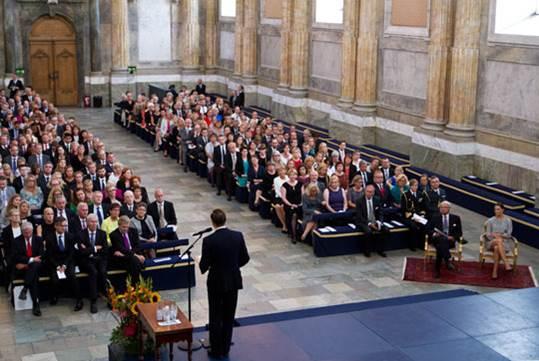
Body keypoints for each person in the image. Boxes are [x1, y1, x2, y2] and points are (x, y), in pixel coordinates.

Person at [199, 209, 250, 359]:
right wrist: (232, 266)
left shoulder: (209, 240)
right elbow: (245, 258)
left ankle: (216, 349)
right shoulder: (237, 236)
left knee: (215, 315)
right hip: (233, 280)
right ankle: (225, 347)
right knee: (229, 314)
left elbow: (203, 266)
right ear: (225, 220)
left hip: (215, 281)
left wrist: (199, 260)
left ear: (213, 222)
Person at [45, 216, 83, 311]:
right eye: (62, 226)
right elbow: (49, 255)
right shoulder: (49, 238)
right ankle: (55, 296)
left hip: (67, 261)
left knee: (72, 276)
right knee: (54, 279)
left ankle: (79, 299)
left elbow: (71, 253)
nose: (64, 228)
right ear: (56, 226)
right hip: (55, 262)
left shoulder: (70, 236)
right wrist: (57, 266)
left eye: (65, 226)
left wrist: (65, 265)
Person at [76, 214, 108, 313]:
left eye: (95, 222)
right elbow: (81, 252)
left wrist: (88, 250)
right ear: (87, 223)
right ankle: (93, 300)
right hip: (86, 260)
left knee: (102, 272)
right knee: (93, 272)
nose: (94, 224)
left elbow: (105, 250)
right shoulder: (80, 234)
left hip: (99, 259)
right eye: (92, 222)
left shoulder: (102, 233)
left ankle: (107, 295)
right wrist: (94, 248)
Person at [11, 222, 43, 316]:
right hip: (24, 269)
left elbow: (41, 255)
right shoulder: (16, 241)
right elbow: (16, 257)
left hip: (37, 266)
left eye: (29, 233)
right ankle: (36, 305)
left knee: (34, 266)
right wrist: (31, 260)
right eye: (25, 233)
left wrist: (28, 263)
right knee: (33, 277)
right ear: (22, 232)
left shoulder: (38, 239)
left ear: (32, 231)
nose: (28, 235)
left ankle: (25, 288)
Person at [427, 201, 462, 278]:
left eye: (445, 207)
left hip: (449, 241)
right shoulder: (435, 217)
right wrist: (434, 234)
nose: (442, 209)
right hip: (437, 239)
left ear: (449, 208)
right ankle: (447, 259)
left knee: (441, 247)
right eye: (441, 207)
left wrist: (453, 237)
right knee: (441, 241)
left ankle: (437, 270)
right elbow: (428, 229)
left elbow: (459, 232)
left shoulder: (456, 218)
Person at [355, 185, 388, 258]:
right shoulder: (359, 201)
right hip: (363, 221)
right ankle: (367, 251)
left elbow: (380, 212)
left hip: (375, 221)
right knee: (368, 231)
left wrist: (379, 221)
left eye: (372, 192)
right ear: (365, 191)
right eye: (368, 192)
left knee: (385, 230)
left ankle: (380, 250)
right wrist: (369, 224)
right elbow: (359, 216)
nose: (370, 193)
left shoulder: (377, 199)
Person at [110, 216, 145, 282]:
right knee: (135, 261)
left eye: (127, 227)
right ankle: (138, 285)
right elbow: (121, 249)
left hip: (128, 256)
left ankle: (135, 285)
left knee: (134, 262)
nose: (126, 229)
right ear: (119, 225)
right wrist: (136, 255)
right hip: (122, 259)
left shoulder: (133, 231)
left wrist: (133, 254)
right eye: (123, 227)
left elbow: (137, 246)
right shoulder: (113, 235)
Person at [486, 203, 514, 279]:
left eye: (498, 209)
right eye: (495, 209)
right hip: (491, 242)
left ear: (502, 210)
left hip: (504, 244)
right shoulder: (490, 220)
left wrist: (500, 235)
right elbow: (488, 235)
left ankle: (494, 272)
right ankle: (506, 263)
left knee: (497, 248)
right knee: (498, 241)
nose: (496, 211)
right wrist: (496, 236)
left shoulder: (508, 220)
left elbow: (509, 234)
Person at [400, 179, 426, 251]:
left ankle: (421, 244)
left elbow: (422, 207)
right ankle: (412, 245)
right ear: (410, 186)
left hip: (418, 216)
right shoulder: (405, 195)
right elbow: (404, 209)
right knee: (413, 226)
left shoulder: (420, 194)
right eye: (414, 185)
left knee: (424, 225)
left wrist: (421, 215)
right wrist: (413, 217)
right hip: (408, 216)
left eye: (417, 186)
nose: (416, 187)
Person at [281, 169, 303, 243]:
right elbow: (283, 198)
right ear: (288, 175)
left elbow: (303, 195)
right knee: (293, 214)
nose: (293, 176)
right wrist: (291, 204)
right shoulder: (285, 185)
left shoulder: (300, 184)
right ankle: (294, 235)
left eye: (294, 174)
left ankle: (299, 232)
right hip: (289, 204)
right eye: (291, 175)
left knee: (299, 212)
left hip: (299, 204)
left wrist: (301, 203)